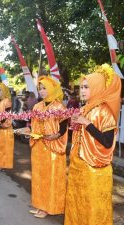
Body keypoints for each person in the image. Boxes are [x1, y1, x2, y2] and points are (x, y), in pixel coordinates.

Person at [65, 65, 121, 225]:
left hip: (94, 171)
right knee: (77, 203)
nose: (82, 90)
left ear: (97, 88)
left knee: (93, 208)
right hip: (78, 167)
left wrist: (87, 123)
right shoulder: (84, 109)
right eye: (81, 87)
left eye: (86, 87)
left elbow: (107, 142)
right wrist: (76, 124)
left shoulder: (105, 112)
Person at [27, 76, 68, 219]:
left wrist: (55, 136)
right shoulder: (37, 106)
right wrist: (29, 132)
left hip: (52, 149)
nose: (41, 91)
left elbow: (63, 129)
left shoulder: (60, 107)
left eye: (44, 88)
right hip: (38, 147)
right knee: (39, 177)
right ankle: (40, 204)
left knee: (50, 178)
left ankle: (49, 207)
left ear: (51, 89)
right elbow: (33, 125)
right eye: (40, 88)